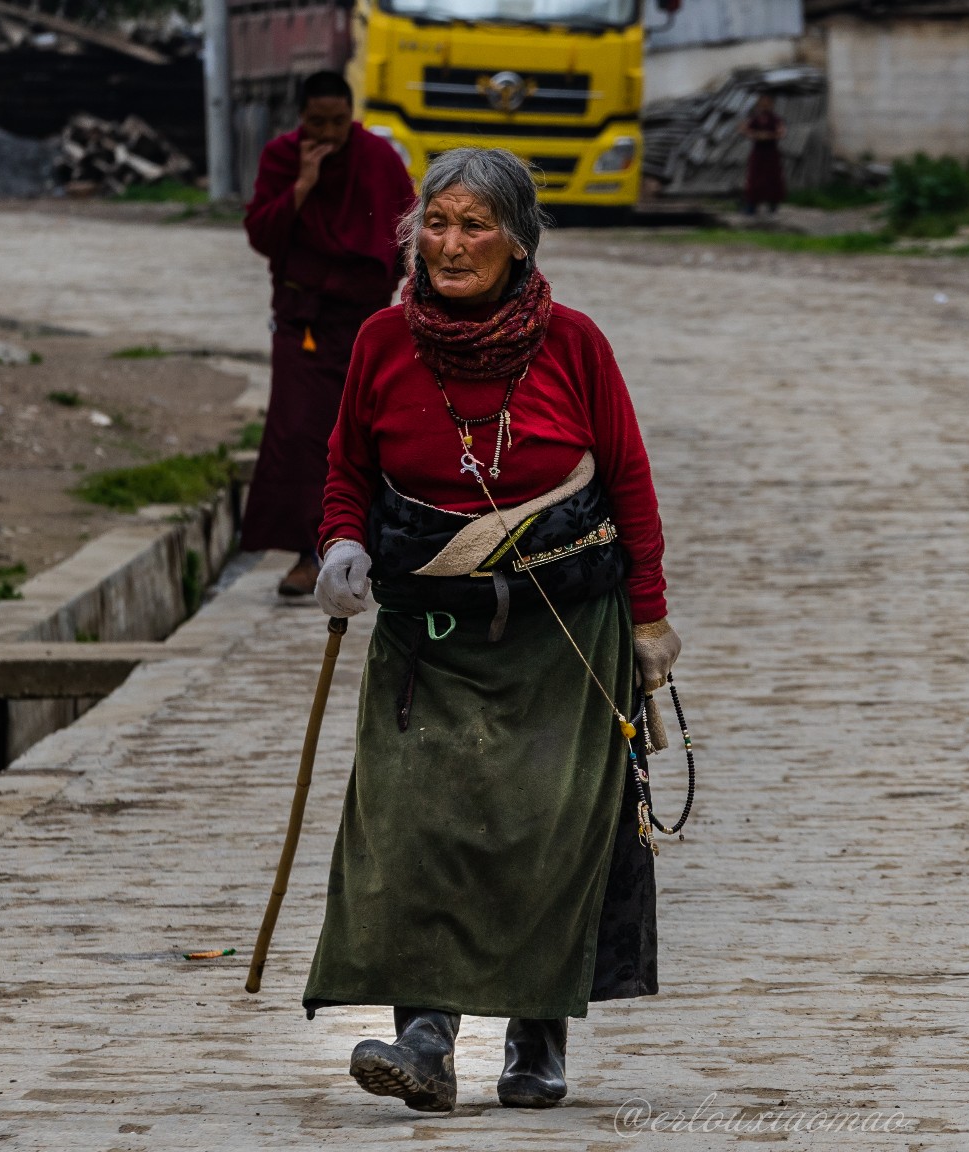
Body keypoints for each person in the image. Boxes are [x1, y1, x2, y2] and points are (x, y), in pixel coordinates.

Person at [305, 147, 683, 1114]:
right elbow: (349, 465)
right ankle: (423, 1040)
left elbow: (629, 484)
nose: (451, 243)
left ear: (518, 240)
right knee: (414, 827)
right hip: (426, 637)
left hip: (564, 639)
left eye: (475, 225)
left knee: (541, 835)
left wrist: (650, 620)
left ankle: (536, 1039)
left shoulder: (577, 346)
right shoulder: (384, 343)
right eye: (436, 222)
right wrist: (342, 542)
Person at [243, 70, 415, 597]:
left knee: (375, 433)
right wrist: (302, 185)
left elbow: (406, 233)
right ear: (301, 119)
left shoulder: (378, 158)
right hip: (304, 320)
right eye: (317, 121)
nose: (329, 132)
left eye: (339, 121)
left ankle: (383, 546)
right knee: (298, 433)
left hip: (363, 322)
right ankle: (305, 552)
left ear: (351, 114)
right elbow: (263, 236)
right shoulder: (282, 157)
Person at [740, 92, 787, 215]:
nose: (765, 106)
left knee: (773, 178)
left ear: (771, 105)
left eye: (767, 104)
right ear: (759, 105)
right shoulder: (755, 118)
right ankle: (752, 206)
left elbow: (781, 132)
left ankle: (773, 206)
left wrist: (769, 136)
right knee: (754, 179)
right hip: (758, 153)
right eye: (762, 104)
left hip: (771, 153)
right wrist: (756, 135)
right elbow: (744, 129)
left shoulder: (775, 119)